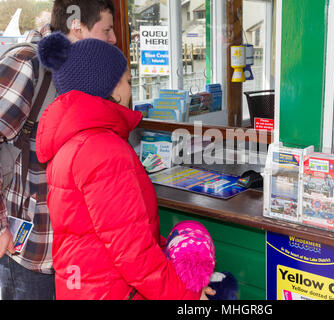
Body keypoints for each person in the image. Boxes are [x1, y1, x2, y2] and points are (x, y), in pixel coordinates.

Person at [36, 32, 211, 300]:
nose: (131, 90)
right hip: (112, 289)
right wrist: (185, 295)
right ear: (111, 88)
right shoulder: (103, 150)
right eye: (128, 81)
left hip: (84, 286)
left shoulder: (73, 143)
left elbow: (115, 231)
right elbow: (133, 253)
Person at [0, 0, 117, 300]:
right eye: (107, 30)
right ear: (77, 28)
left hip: (68, 256)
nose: (114, 39)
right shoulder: (29, 64)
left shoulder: (81, 74)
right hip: (26, 253)